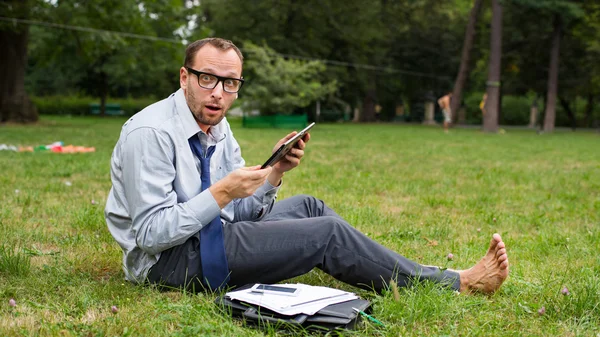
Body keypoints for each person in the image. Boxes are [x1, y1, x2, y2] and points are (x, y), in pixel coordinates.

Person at [105, 38, 509, 295]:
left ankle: (407, 273)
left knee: (311, 207)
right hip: (169, 262)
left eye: (231, 84)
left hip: (212, 234)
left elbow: (237, 212)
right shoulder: (151, 133)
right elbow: (151, 235)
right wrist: (223, 191)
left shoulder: (218, 126)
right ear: (184, 77)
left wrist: (273, 174)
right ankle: (456, 283)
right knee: (326, 234)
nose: (219, 94)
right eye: (207, 79)